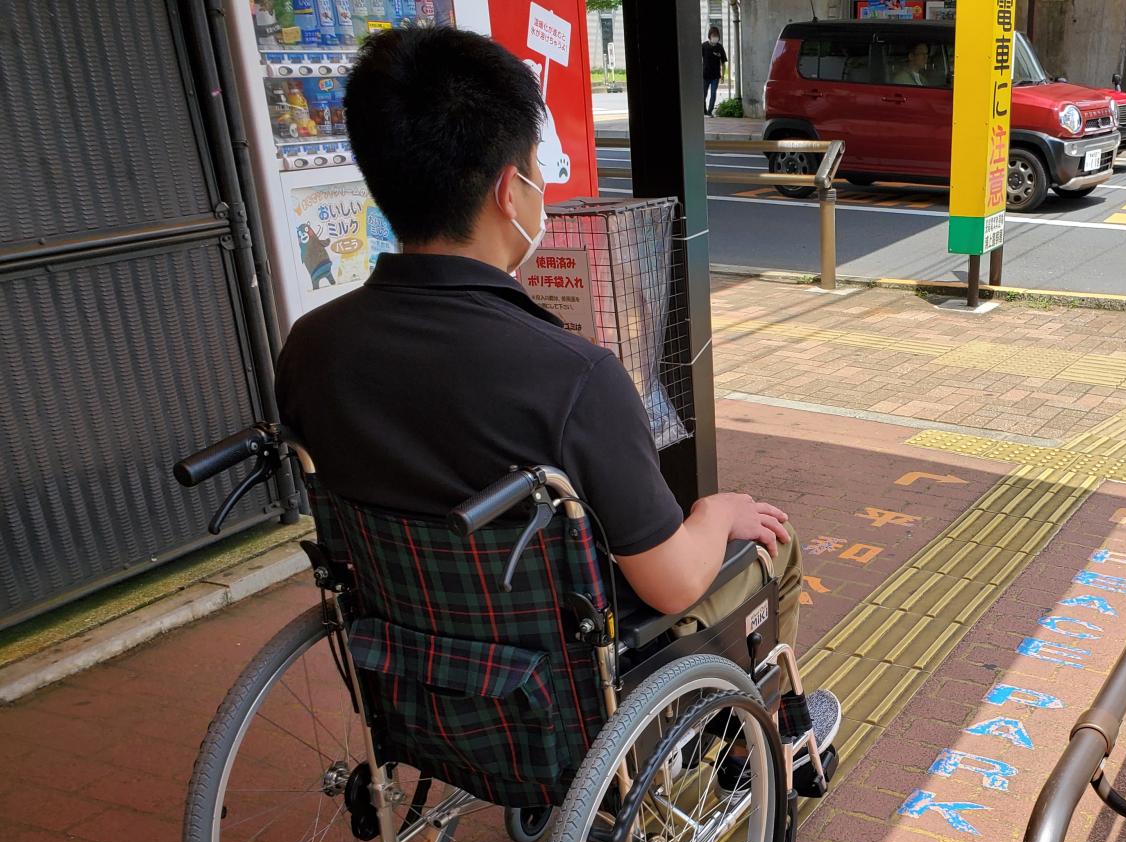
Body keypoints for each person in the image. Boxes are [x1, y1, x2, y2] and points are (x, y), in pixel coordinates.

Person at [277, 26, 825, 704]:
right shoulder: (574, 376)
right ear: (511, 192)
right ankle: (755, 745)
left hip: (412, 664)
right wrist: (714, 511)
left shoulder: (310, 347)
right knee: (776, 543)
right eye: (538, 170)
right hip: (556, 680)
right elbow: (674, 581)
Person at [701, 25, 728, 116]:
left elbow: (723, 63)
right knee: (703, 94)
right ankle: (703, 109)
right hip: (705, 75)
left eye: (716, 35)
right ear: (709, 36)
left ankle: (709, 111)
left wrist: (723, 75)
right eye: (713, 35)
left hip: (715, 76)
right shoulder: (704, 46)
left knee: (713, 94)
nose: (715, 37)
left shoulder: (720, 47)